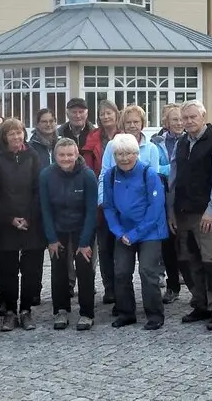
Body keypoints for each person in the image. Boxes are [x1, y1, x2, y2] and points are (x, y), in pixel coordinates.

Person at [172, 100, 212, 330]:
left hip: (207, 214)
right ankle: (200, 303)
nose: (188, 121)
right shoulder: (181, 143)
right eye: (184, 118)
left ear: (203, 116)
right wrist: (171, 211)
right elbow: (174, 179)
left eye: (192, 117)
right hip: (183, 212)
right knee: (189, 261)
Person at [102, 133, 168, 330]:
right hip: (123, 232)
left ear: (136, 154)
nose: (123, 158)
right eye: (119, 154)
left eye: (128, 153)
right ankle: (126, 312)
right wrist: (118, 231)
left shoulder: (149, 173)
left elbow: (155, 208)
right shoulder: (110, 175)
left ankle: (155, 314)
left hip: (150, 232)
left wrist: (135, 234)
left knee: (148, 272)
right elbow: (108, 206)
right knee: (121, 271)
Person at [0, 119, 46, 332]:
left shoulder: (33, 157)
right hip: (5, 224)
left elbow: (38, 189)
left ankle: (26, 310)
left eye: (19, 133)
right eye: (11, 134)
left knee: (31, 270)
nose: (16, 137)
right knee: (7, 271)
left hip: (31, 222)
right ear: (4, 137)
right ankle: (10, 311)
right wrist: (11, 219)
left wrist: (28, 218)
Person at [39, 138, 97, 331]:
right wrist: (51, 239)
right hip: (58, 226)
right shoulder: (46, 175)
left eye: (70, 155)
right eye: (61, 155)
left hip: (82, 226)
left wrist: (85, 242)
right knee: (58, 270)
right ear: (55, 156)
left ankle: (87, 313)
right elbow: (45, 209)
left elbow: (91, 211)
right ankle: (61, 310)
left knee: (84, 268)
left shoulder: (88, 176)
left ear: (76, 155)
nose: (66, 159)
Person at [87, 100, 125, 306]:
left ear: (116, 114)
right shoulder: (93, 138)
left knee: (121, 247)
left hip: (122, 197)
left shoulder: (124, 135)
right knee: (103, 248)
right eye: (102, 113)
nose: (106, 116)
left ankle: (121, 288)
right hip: (100, 199)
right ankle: (109, 287)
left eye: (109, 112)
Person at [150, 103, 188, 303]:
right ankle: (172, 286)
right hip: (165, 199)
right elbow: (156, 168)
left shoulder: (191, 140)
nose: (180, 123)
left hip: (188, 197)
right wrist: (176, 168)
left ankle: (197, 288)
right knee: (169, 244)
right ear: (166, 122)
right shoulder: (157, 143)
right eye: (175, 119)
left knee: (189, 244)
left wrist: (172, 169)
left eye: (182, 119)